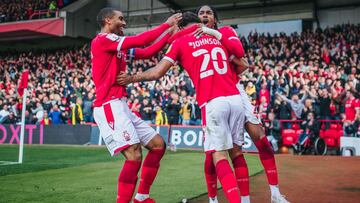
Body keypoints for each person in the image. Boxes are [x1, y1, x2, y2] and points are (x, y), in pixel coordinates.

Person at [117, 12, 246, 203]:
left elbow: (157, 72)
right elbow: (242, 64)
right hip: (236, 99)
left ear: (181, 27)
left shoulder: (180, 41)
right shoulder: (214, 34)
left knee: (219, 155)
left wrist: (132, 78)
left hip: (213, 101)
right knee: (236, 152)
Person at [195, 5, 289, 203]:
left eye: (208, 13)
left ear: (215, 19)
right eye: (201, 14)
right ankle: (213, 200)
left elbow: (241, 56)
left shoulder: (226, 31)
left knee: (260, 137)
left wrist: (228, 74)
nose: (204, 16)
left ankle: (275, 194)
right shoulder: (194, 42)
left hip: (235, 91)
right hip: (210, 96)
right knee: (212, 153)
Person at [91, 7, 181, 203]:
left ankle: (141, 197)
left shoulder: (118, 47)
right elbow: (142, 40)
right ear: (108, 20)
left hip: (121, 104)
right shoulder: (103, 40)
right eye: (120, 19)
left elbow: (147, 52)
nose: (124, 23)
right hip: (109, 105)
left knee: (158, 146)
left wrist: (169, 37)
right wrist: (167, 24)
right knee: (134, 155)